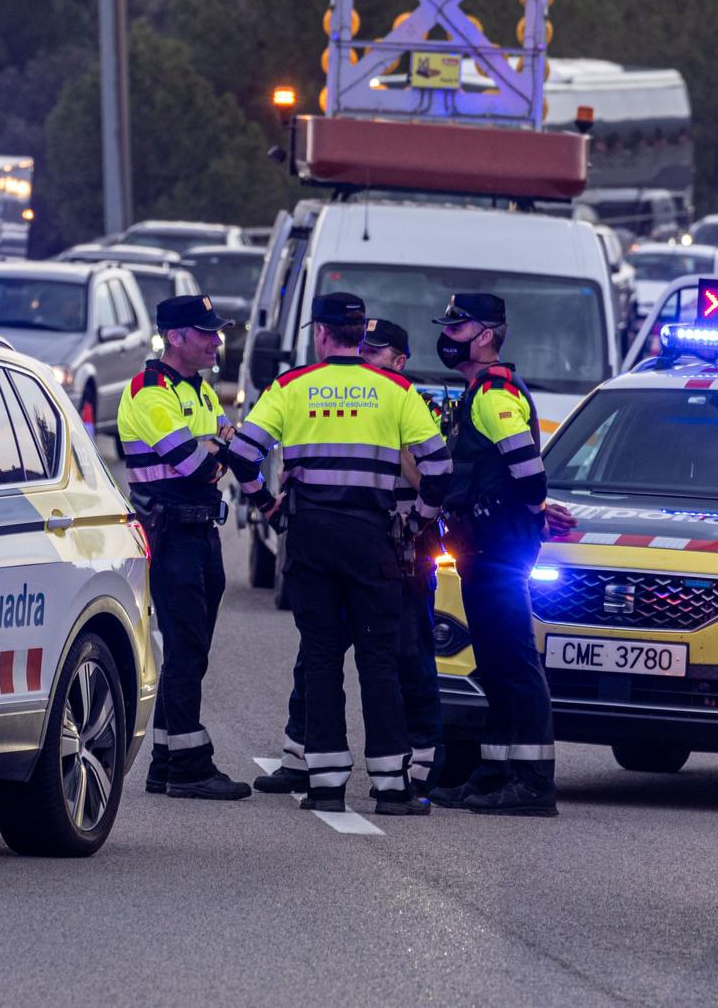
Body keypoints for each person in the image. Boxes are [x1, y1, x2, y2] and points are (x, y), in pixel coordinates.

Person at [226, 294, 451, 815]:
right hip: (373, 538)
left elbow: (242, 454)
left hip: (311, 536)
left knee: (322, 655)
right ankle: (392, 787)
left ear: (322, 335)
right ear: (356, 334)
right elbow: (439, 471)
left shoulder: (290, 387)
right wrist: (414, 522)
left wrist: (269, 505)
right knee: (379, 658)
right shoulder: (396, 390)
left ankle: (324, 784)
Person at [425, 293, 558, 817]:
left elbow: (528, 471)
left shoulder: (495, 392)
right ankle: (495, 772)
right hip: (486, 545)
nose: (448, 338)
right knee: (497, 663)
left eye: (458, 329)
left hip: (500, 545)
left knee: (514, 661)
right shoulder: (478, 390)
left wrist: (524, 513)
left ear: (485, 335)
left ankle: (531, 782)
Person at [116, 295, 250, 801]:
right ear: (175, 337)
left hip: (201, 533)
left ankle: (166, 762)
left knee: (189, 649)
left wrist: (218, 449)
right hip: (170, 534)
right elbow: (198, 464)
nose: (217, 341)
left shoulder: (199, 390)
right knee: (187, 647)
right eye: (206, 333)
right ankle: (190, 767)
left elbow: (223, 452)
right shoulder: (150, 392)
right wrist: (219, 449)